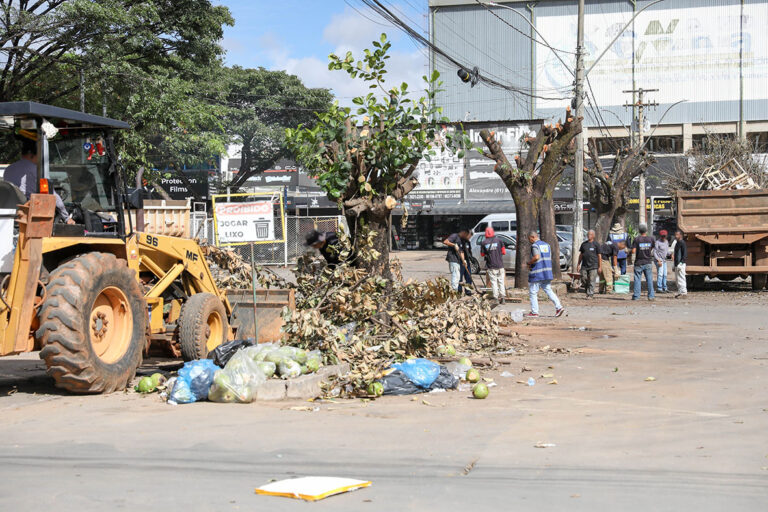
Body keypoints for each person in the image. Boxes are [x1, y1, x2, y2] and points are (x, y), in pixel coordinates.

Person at [3, 139, 74, 223]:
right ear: (31, 154)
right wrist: (66, 217)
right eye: (39, 155)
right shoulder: (37, 171)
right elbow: (52, 195)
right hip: (29, 213)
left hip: (10, 214)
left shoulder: (8, 169)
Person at [525, 231, 564, 318]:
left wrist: (529, 263)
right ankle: (559, 307)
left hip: (537, 272)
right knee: (548, 290)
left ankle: (535, 312)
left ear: (532, 237)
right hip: (547, 272)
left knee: (533, 292)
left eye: (529, 239)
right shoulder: (547, 245)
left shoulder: (535, 245)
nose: (529, 241)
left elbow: (537, 257)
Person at [480, 227, 506, 302]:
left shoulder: (484, 243)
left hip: (491, 266)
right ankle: (503, 298)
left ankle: (496, 298)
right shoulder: (499, 241)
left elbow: (482, 254)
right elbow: (504, 252)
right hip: (500, 265)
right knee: (501, 281)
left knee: (494, 282)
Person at [631, 223, 656, 301]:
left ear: (639, 231)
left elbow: (633, 251)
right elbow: (653, 247)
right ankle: (651, 296)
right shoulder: (651, 239)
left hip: (638, 262)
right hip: (648, 262)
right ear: (646, 230)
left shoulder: (636, 239)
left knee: (637, 279)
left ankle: (636, 296)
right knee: (649, 279)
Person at [443, 228, 472, 292]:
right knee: (456, 277)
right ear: (463, 232)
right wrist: (453, 245)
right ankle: (454, 292)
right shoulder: (454, 236)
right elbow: (445, 241)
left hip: (459, 261)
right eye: (466, 235)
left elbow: (461, 251)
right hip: (453, 259)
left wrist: (464, 261)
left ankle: (457, 291)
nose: (467, 236)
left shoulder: (463, 240)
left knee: (458, 277)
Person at [577, 229, 601, 298]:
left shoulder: (596, 244)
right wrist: (578, 264)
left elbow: (599, 256)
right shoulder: (584, 244)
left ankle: (590, 294)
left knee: (592, 280)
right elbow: (581, 255)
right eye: (588, 234)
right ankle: (587, 290)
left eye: (590, 234)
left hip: (594, 265)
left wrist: (600, 267)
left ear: (593, 236)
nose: (588, 236)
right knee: (584, 279)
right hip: (584, 265)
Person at [674, 229, 687, 298]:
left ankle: (683, 292)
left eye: (677, 235)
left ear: (680, 235)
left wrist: (681, 263)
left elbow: (684, 254)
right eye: (675, 234)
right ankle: (680, 292)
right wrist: (674, 265)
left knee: (681, 278)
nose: (675, 236)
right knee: (677, 279)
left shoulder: (682, 243)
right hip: (677, 264)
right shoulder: (677, 243)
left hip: (681, 264)